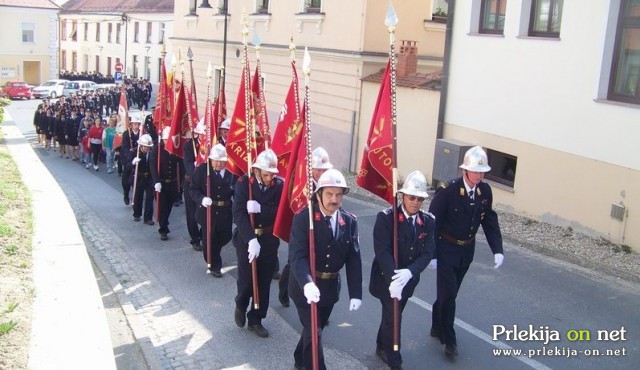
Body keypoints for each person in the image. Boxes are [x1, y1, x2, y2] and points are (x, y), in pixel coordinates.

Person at [429, 146, 504, 357]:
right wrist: (432, 254)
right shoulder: (448, 191)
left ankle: (436, 325)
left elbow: (489, 221)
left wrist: (497, 249)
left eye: (482, 171)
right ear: (465, 170)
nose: (479, 175)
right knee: (449, 296)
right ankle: (449, 341)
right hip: (445, 249)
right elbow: (433, 222)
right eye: (476, 171)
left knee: (448, 294)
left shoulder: (484, 191)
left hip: (466, 251)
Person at [288, 169, 362, 370]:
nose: (334, 199)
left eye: (338, 194)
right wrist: (307, 283)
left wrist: (356, 294)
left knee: (313, 329)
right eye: (329, 194)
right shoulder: (305, 218)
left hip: (329, 289)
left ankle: (299, 358)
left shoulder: (349, 221)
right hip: (305, 287)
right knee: (315, 331)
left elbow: (354, 259)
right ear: (319, 194)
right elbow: (297, 256)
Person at [370, 170, 435, 369]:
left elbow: (427, 253)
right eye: (411, 197)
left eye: (419, 198)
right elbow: (382, 252)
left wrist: (409, 273)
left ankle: (381, 345)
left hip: (408, 280)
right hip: (386, 279)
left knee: (393, 316)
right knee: (394, 319)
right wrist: (394, 279)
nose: (415, 202)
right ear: (402, 196)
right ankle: (394, 359)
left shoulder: (428, 221)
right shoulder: (387, 218)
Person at [232, 148, 283, 338]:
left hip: (269, 240)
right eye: (266, 174)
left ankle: (256, 319)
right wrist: (251, 239)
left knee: (263, 281)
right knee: (246, 281)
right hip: (247, 239)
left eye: (272, 174)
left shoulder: (278, 186)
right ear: (256, 171)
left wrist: (260, 209)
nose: (270, 178)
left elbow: (279, 211)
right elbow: (238, 213)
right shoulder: (244, 183)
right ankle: (240, 304)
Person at [279, 146, 334, 308]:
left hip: (321, 230)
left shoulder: (327, 185)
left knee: (319, 263)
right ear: (311, 169)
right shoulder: (304, 184)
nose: (322, 173)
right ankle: (284, 291)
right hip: (302, 229)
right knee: (294, 262)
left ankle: (318, 301)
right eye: (318, 170)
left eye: (324, 170)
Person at [190, 144, 237, 277]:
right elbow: (193, 189)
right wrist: (202, 199)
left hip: (224, 211)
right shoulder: (203, 170)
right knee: (209, 238)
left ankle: (213, 252)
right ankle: (214, 264)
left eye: (220, 160)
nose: (217, 163)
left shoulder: (231, 173)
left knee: (225, 236)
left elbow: (237, 191)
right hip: (207, 210)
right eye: (214, 160)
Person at [150, 126, 184, 241]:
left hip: (172, 183)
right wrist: (156, 182)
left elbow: (181, 165)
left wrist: (182, 182)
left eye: (169, 140)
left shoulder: (176, 150)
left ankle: (164, 221)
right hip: (161, 183)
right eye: (165, 140)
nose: (167, 142)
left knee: (169, 206)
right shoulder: (157, 150)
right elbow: (153, 166)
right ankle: (163, 229)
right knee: (162, 206)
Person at [183, 119, 206, 251]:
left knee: (205, 211)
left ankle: (204, 235)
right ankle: (195, 238)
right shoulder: (189, 146)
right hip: (191, 183)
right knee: (191, 212)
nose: (204, 137)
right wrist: (197, 177)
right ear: (197, 134)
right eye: (202, 134)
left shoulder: (211, 145)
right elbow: (188, 164)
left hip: (205, 185)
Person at [131, 134, 155, 225]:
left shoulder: (152, 153)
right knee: (138, 196)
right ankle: (137, 214)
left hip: (149, 177)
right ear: (141, 146)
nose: (147, 149)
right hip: (139, 176)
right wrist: (133, 162)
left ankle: (148, 218)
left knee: (150, 197)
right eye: (146, 147)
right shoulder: (135, 152)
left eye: (149, 147)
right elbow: (127, 164)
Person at [121, 117, 142, 205]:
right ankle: (126, 194)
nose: (136, 126)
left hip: (139, 158)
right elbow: (125, 148)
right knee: (126, 180)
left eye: (137, 124)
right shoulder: (126, 134)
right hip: (129, 159)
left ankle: (135, 197)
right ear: (131, 125)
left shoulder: (142, 133)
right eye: (134, 124)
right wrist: (130, 159)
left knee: (137, 180)